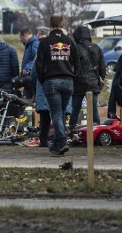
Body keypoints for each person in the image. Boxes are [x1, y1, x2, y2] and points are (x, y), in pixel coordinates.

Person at [35, 14, 81, 156]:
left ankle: (61, 139)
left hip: (51, 81)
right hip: (68, 81)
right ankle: (57, 145)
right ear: (63, 24)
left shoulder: (45, 42)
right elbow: (78, 63)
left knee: (55, 113)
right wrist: (73, 76)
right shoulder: (70, 41)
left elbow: (39, 64)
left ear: (50, 24)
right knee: (60, 113)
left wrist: (43, 80)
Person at [68, 26, 106, 130]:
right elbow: (102, 68)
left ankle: (72, 129)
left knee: (75, 109)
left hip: (78, 83)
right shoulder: (96, 47)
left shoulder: (74, 48)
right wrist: (99, 80)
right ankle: (97, 129)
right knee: (94, 109)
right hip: (92, 82)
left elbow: (71, 66)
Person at [19, 28, 38, 99]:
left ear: (24, 36)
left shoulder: (34, 43)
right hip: (28, 76)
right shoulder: (30, 44)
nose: (20, 39)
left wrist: (28, 68)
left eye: (20, 37)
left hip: (30, 75)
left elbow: (36, 58)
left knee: (27, 98)